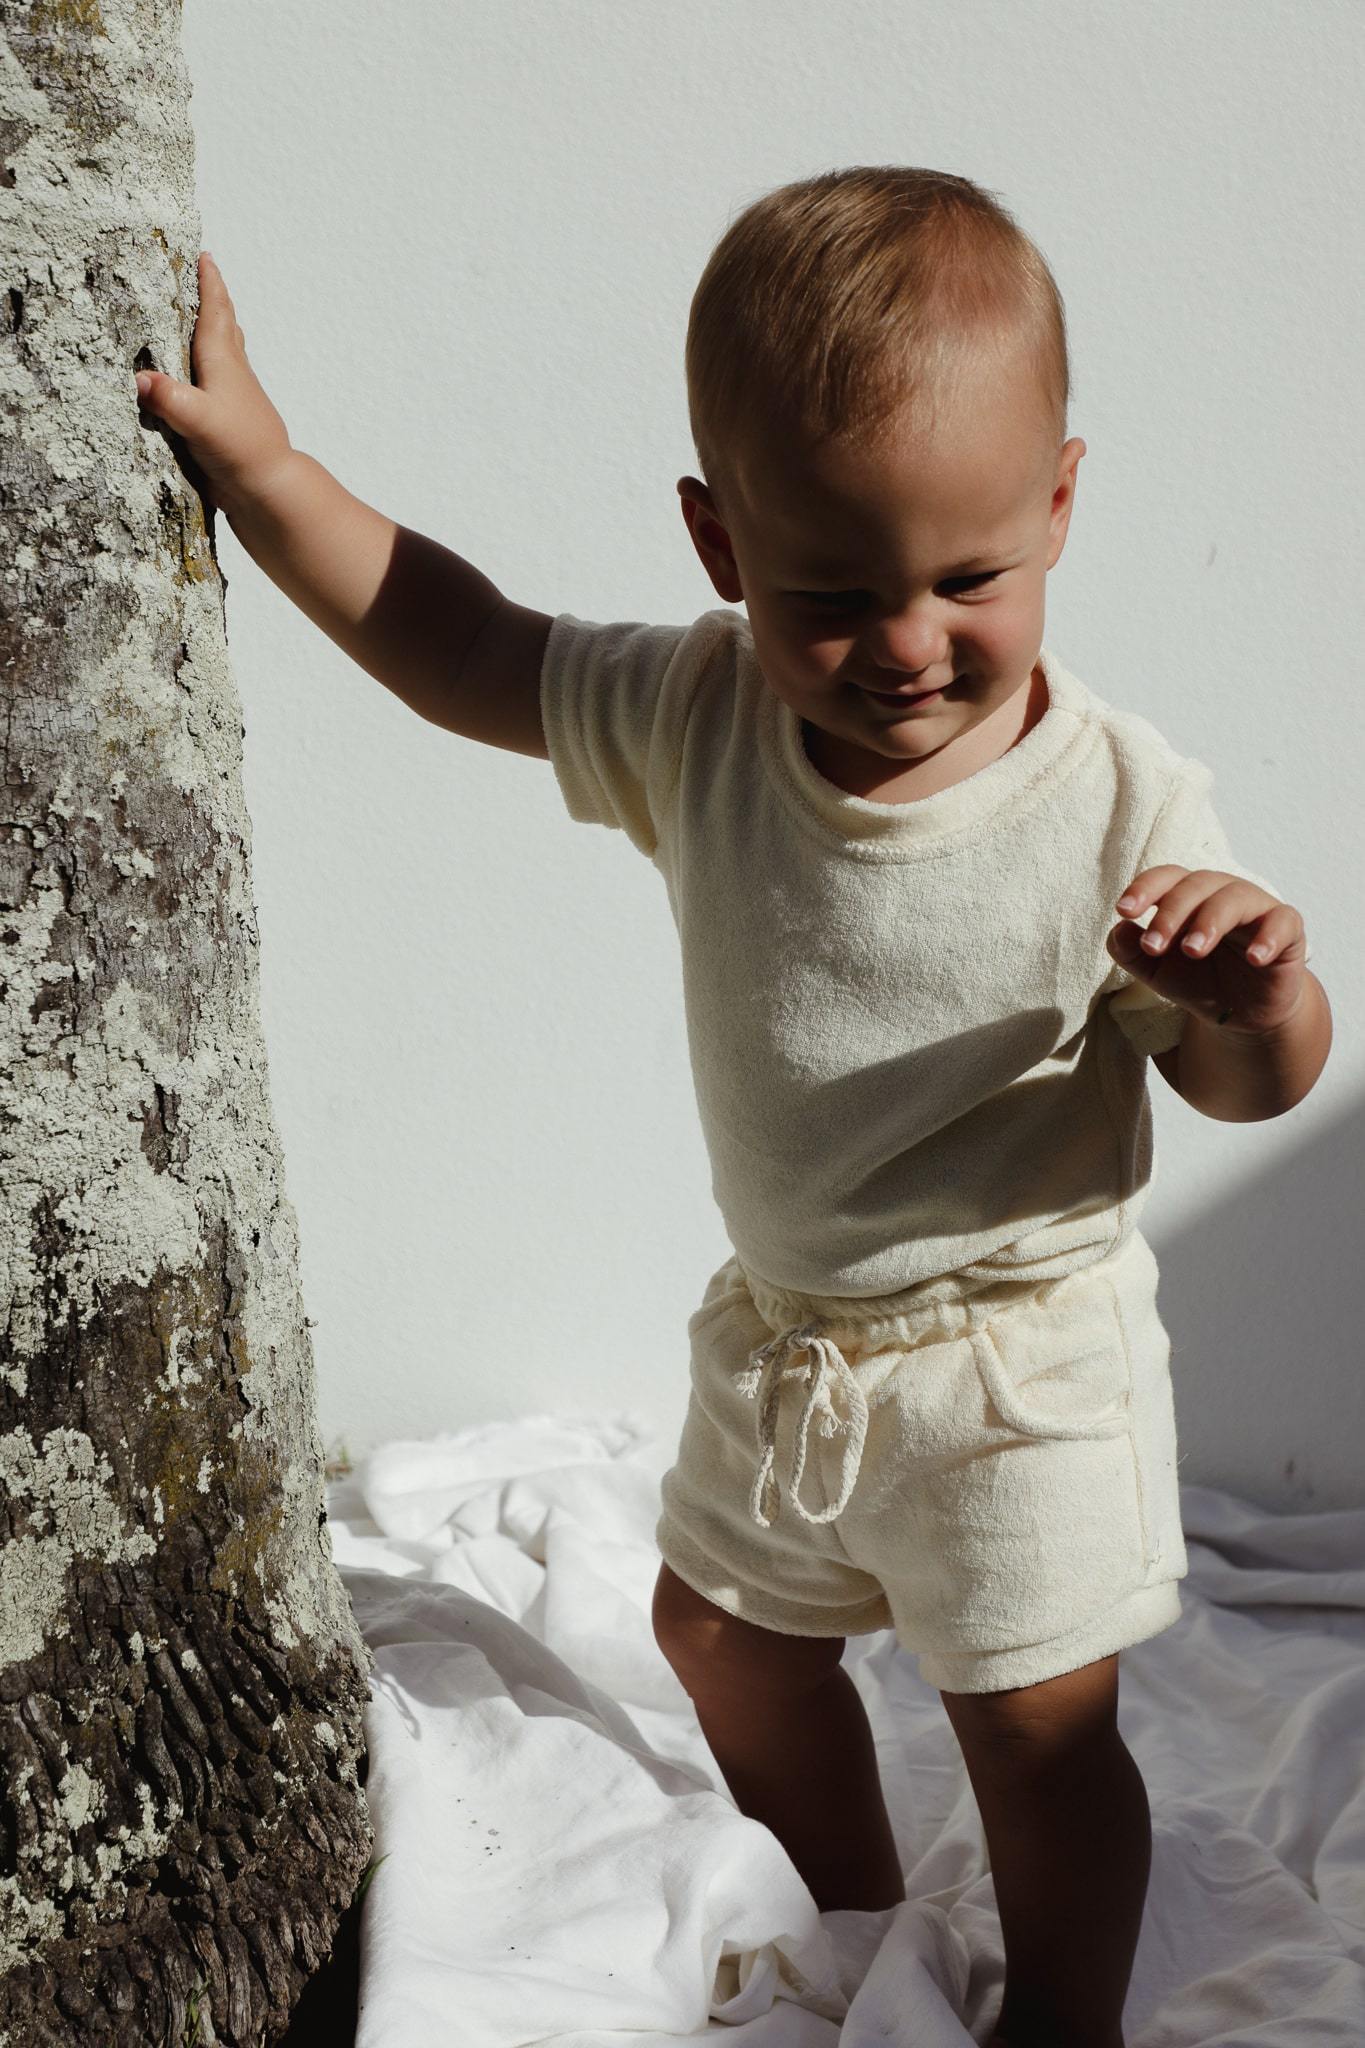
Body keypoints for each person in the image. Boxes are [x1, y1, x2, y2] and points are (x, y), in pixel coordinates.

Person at [135, 166, 1331, 2048]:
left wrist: (1256, 999)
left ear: (1059, 506)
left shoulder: (1116, 806)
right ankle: (851, 1920)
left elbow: (1240, 1090)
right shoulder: (699, 716)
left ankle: (1066, 2021)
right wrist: (269, 472)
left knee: (1034, 1725)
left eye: (969, 581)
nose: (909, 643)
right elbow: (471, 649)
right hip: (791, 1349)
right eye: (832, 595)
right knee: (721, 1639)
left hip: (1021, 1367)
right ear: (718, 543)